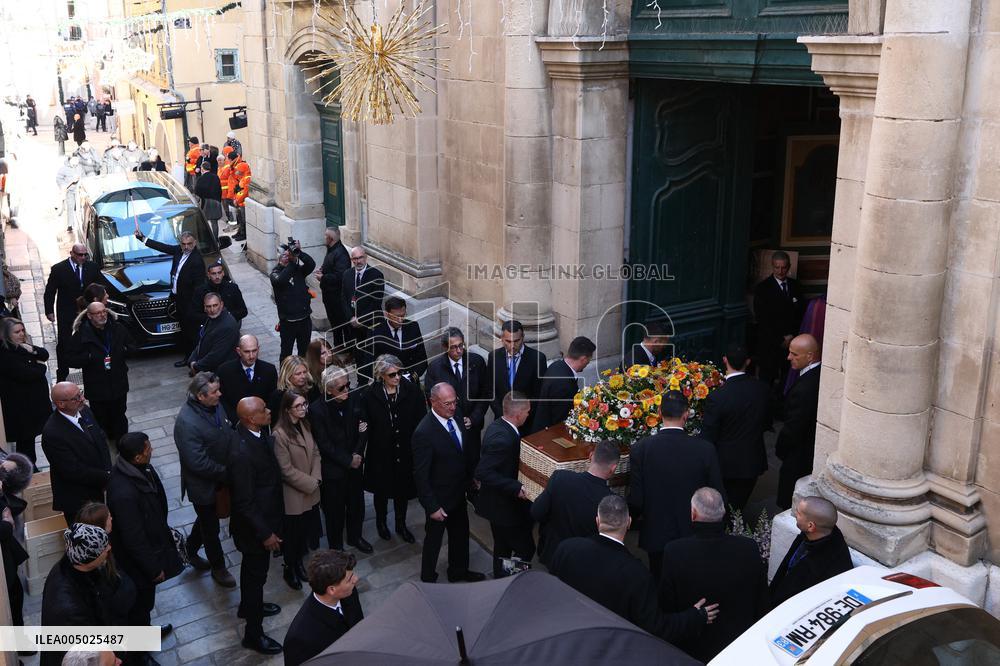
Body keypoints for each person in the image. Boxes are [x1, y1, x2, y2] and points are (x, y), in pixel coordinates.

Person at [549, 495, 717, 645]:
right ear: (629, 523)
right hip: (607, 646)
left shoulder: (566, 549)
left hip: (564, 635)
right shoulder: (637, 574)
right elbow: (656, 628)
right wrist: (694, 617)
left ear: (598, 521)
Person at [660, 488, 769, 662]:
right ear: (723, 512)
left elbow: (667, 604)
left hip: (694, 643)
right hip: (738, 642)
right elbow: (760, 596)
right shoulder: (748, 548)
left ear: (693, 514)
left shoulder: (675, 552)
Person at [628, 390, 725, 582]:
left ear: (659, 412)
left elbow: (637, 499)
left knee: (659, 580)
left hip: (657, 534)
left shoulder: (641, 449)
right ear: (686, 414)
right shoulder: (705, 449)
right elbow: (718, 494)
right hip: (693, 534)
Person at [105, 432, 183, 663]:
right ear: (137, 457)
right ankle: (139, 656)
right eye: (148, 448)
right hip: (137, 564)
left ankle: (146, 634)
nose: (152, 450)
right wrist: (153, 568)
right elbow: (134, 539)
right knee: (139, 608)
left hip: (152, 545)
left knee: (145, 605)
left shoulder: (140, 468)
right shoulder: (124, 493)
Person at [229, 397, 285, 655]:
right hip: (254, 531)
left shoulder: (256, 433)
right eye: (264, 410)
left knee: (253, 575)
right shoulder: (241, 452)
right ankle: (253, 634)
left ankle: (247, 607)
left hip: (264, 518)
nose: (269, 411)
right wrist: (266, 534)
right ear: (251, 419)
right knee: (255, 579)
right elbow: (245, 502)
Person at [412, 382, 484, 583]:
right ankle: (428, 579)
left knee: (460, 535)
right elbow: (420, 475)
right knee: (434, 540)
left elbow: (462, 451)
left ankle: (458, 571)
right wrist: (432, 506)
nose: (452, 407)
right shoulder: (424, 432)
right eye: (447, 404)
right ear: (432, 402)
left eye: (454, 402)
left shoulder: (457, 414)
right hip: (439, 499)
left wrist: (472, 478)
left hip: (459, 492)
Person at [173, 372, 237, 587]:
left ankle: (189, 548)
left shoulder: (214, 405)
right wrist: (225, 472)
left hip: (221, 477)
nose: (220, 394)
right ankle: (219, 568)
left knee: (205, 519)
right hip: (204, 485)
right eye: (214, 392)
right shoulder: (187, 422)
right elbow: (197, 462)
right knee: (211, 529)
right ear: (200, 396)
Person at [360, 354, 426, 543]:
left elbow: (420, 419)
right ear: (381, 375)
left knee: (402, 490)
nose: (397, 377)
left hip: (404, 450)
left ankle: (400, 524)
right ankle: (381, 523)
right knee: (381, 490)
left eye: (399, 373)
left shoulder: (411, 391)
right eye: (392, 375)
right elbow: (366, 422)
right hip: (380, 452)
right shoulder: (370, 394)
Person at [700, 343, 773, 513]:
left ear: (725, 360)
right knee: (739, 506)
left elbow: (709, 435)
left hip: (725, 465)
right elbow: (767, 422)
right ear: (747, 362)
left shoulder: (718, 397)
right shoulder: (762, 389)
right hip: (752, 459)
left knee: (722, 508)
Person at [310, 366, 371, 553]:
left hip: (355, 464)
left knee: (356, 505)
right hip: (333, 470)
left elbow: (364, 426)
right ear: (329, 390)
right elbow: (324, 443)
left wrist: (357, 454)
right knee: (334, 511)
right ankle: (336, 547)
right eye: (341, 388)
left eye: (348, 385)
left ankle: (355, 536)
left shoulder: (354, 398)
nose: (347, 390)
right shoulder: (317, 410)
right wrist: (347, 460)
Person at [475, 392, 535, 578]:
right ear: (518, 414)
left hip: (498, 506)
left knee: (502, 548)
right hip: (504, 508)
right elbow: (483, 472)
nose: (528, 415)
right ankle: (513, 579)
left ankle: (500, 579)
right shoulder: (503, 439)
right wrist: (515, 487)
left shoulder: (498, 426)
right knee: (526, 549)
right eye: (527, 411)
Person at [530, 439, 617, 567]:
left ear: (591, 456)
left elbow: (536, 512)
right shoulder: (610, 501)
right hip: (582, 563)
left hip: (552, 554)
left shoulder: (560, 478)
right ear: (613, 468)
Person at [40, 523, 113, 666]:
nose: (109, 548)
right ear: (90, 558)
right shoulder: (71, 609)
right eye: (104, 548)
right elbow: (87, 656)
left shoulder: (69, 567)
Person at [41, 382, 111, 525]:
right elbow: (72, 470)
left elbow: (101, 442)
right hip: (79, 500)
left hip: (98, 487)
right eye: (76, 398)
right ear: (61, 404)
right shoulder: (52, 433)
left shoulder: (85, 411)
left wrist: (108, 471)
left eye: (81, 393)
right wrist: (107, 476)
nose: (83, 399)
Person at [273, 390, 322, 591]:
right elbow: (285, 470)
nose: (303, 409)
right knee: (292, 536)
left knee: (304, 533)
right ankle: (289, 567)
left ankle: (299, 563)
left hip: (311, 488)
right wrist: (310, 483)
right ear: (287, 410)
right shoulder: (279, 434)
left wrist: (316, 477)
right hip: (294, 494)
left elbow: (316, 452)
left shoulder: (305, 424)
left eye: (305, 404)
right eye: (298, 406)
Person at [134, 229, 207, 365]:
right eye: (183, 244)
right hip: (177, 299)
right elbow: (163, 247)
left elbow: (199, 287)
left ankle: (193, 360)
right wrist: (143, 239)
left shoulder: (197, 261)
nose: (186, 247)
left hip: (189, 303)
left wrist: (195, 307)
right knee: (183, 330)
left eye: (189, 244)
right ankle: (189, 357)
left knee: (191, 333)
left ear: (195, 243)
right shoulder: (179, 251)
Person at [67, 302, 136, 443]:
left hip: (118, 382)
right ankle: (106, 442)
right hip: (97, 386)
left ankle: (123, 444)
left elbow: (133, 346)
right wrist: (89, 357)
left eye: (104, 311)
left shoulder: (118, 328)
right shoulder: (81, 334)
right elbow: (70, 359)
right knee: (101, 418)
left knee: (120, 415)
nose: (102, 315)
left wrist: (122, 351)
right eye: (98, 313)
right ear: (89, 316)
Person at [770, 496, 853, 609]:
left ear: (810, 526)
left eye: (799, 513)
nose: (795, 514)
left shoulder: (824, 566)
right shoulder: (814, 535)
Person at [423, 327, 489, 467]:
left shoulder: (477, 362)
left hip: (472, 428)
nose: (459, 350)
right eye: (453, 347)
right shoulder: (435, 368)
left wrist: (473, 418)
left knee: (473, 465)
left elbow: (485, 393)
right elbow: (432, 399)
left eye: (461, 345)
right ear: (445, 347)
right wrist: (449, 421)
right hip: (448, 430)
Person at [283, 549, 363, 666]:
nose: (356, 579)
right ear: (331, 590)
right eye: (350, 579)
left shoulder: (348, 592)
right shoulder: (298, 638)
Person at [776, 334, 822, 510]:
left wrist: (781, 449)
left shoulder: (805, 387)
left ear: (810, 356)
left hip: (799, 454)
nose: (789, 357)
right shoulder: (816, 374)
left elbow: (794, 426)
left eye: (794, 354)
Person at [44, 244, 100, 381]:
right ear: (72, 253)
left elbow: (100, 287)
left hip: (87, 310)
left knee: (89, 338)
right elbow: (50, 291)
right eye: (80, 255)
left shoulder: (92, 267)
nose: (83, 257)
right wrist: (49, 311)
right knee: (64, 341)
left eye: (85, 255)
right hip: (66, 311)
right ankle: (62, 372)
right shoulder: (59, 269)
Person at [0, 317, 50, 465]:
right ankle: (27, 467)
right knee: (26, 442)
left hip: (34, 402)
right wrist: (42, 366)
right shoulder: (5, 354)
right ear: (6, 335)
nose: (22, 334)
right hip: (22, 407)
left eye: (22, 330)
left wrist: (33, 350)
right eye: (17, 332)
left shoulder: (22, 346)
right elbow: (28, 374)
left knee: (32, 438)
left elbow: (44, 354)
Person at [753, 250, 806, 390]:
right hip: (770, 345)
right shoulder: (762, 289)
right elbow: (762, 319)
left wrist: (791, 336)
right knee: (767, 382)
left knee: (787, 380)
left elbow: (801, 314)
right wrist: (780, 339)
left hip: (791, 344)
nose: (780, 271)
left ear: (789, 267)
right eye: (777, 267)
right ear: (772, 266)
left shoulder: (796, 286)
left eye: (783, 267)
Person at [485, 319, 548, 434]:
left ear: (523, 337)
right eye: (508, 341)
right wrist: (504, 416)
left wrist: (522, 415)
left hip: (527, 425)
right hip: (502, 423)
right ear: (502, 339)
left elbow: (539, 395)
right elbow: (490, 390)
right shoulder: (494, 357)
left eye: (516, 341)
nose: (512, 346)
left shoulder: (537, 359)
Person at [532, 336, 595, 432]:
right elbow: (560, 421)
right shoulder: (564, 385)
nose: (588, 364)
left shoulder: (556, 365)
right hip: (549, 434)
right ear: (583, 359)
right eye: (588, 361)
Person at [0, 453, 32, 634]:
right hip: (4, 557)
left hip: (8, 553)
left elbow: (22, 475)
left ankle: (19, 638)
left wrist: (9, 466)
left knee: (15, 597)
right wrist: (6, 525)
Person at [270, 239, 316, 362]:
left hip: (304, 319)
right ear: (279, 258)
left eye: (288, 254)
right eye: (284, 255)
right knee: (286, 354)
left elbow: (311, 264)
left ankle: (305, 372)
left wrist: (299, 253)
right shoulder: (275, 273)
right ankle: (285, 374)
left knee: (305, 352)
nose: (287, 257)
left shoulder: (298, 270)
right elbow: (281, 280)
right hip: (288, 322)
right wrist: (292, 262)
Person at [217, 335, 278, 425]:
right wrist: (237, 421)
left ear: (258, 349)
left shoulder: (269, 370)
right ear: (239, 351)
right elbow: (222, 400)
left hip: (262, 424)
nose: (251, 356)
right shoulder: (225, 371)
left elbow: (273, 397)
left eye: (254, 351)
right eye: (247, 352)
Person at [367, 295, 428, 384]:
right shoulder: (375, 332)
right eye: (396, 317)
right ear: (387, 314)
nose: (400, 320)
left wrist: (412, 377)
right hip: (386, 382)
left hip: (410, 381)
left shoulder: (413, 327)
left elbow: (422, 359)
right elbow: (370, 362)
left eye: (403, 316)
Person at [341, 246, 385, 367]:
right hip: (353, 325)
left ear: (365, 257)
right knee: (359, 356)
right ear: (351, 260)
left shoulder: (376, 275)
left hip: (371, 324)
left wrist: (361, 319)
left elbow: (376, 302)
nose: (358, 261)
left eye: (360, 258)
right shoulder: (347, 274)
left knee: (372, 356)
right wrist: (351, 318)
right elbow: (344, 299)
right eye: (355, 258)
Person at [316, 227, 351, 351]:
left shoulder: (341, 253)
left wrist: (323, 277)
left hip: (337, 297)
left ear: (330, 239)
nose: (324, 237)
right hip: (329, 296)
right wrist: (323, 269)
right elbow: (331, 266)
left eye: (325, 235)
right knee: (335, 323)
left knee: (341, 323)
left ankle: (347, 349)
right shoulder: (331, 249)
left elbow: (340, 276)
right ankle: (339, 346)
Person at [187, 292, 239, 374]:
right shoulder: (212, 319)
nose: (212, 310)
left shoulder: (227, 326)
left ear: (221, 304)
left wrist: (196, 366)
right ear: (204, 307)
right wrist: (192, 360)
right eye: (209, 306)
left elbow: (216, 356)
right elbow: (202, 341)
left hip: (221, 374)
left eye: (215, 305)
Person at [192, 260, 248, 325]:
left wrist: (227, 317)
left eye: (219, 273)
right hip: (210, 324)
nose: (217, 276)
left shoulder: (232, 288)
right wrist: (212, 319)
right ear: (208, 275)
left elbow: (243, 311)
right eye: (213, 274)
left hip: (230, 322)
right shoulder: (200, 291)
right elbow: (194, 314)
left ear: (223, 273)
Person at [268, 355, 319, 425]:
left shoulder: (312, 387)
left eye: (304, 372)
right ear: (288, 375)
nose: (303, 376)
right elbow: (276, 421)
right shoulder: (278, 396)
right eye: (298, 374)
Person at [194, 160, 224, 238]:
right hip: (216, 202)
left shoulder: (201, 179)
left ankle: (207, 239)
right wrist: (218, 200)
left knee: (204, 222)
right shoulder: (216, 177)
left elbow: (197, 192)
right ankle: (216, 239)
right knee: (214, 223)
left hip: (205, 203)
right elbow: (220, 190)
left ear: (202, 169)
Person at [55, 155, 85, 230]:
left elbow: (84, 177)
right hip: (69, 191)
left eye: (77, 160)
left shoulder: (80, 167)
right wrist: (65, 184)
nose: (76, 162)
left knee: (79, 207)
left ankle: (80, 224)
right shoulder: (64, 169)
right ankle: (70, 225)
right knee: (70, 206)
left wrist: (81, 182)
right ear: (70, 160)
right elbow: (59, 179)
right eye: (74, 160)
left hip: (78, 191)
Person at [231, 153, 252, 241]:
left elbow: (245, 192)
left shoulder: (247, 178)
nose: (237, 172)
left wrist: (237, 200)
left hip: (243, 203)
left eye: (238, 170)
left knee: (243, 220)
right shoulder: (243, 177)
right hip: (240, 202)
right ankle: (240, 232)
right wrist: (236, 199)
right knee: (240, 219)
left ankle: (243, 234)